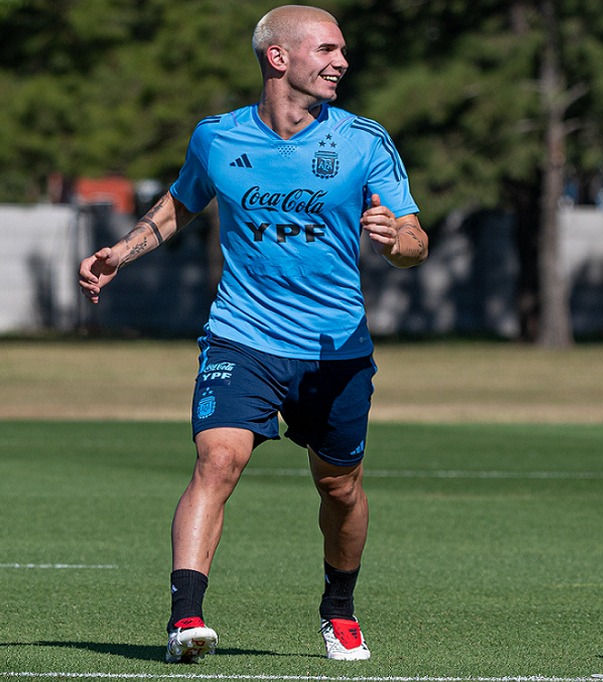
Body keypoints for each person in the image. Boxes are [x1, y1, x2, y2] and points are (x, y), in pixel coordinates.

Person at [78, 5, 428, 664]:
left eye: (342, 50)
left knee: (340, 487)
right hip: (241, 335)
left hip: (335, 349)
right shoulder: (216, 137)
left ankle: (339, 610)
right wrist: (123, 251)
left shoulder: (364, 141)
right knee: (217, 460)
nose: (341, 62)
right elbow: (182, 202)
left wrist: (396, 244)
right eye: (326, 49)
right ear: (278, 57)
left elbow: (413, 237)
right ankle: (185, 619)